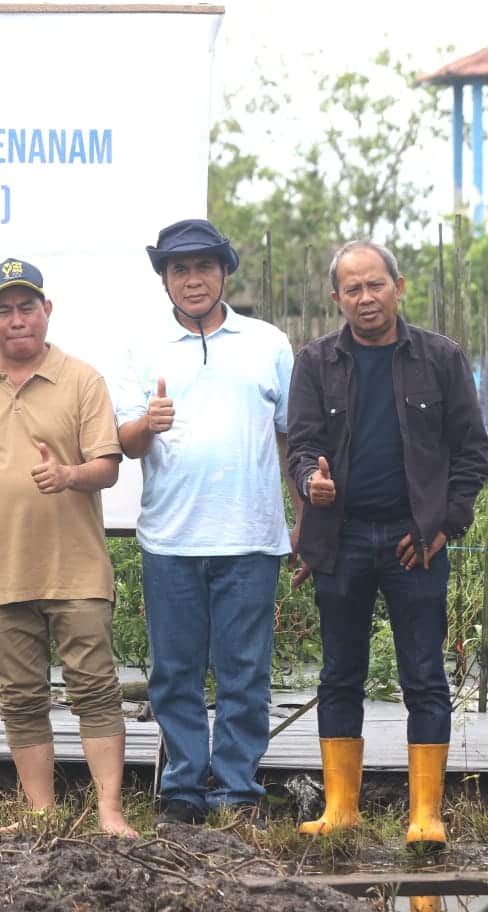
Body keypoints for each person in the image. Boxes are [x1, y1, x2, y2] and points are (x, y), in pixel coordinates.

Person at [287, 240, 488, 848]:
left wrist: (443, 526)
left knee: (425, 675)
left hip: (415, 541)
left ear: (398, 287)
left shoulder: (441, 358)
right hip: (341, 538)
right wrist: (309, 483)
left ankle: (426, 813)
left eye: (375, 285)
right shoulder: (316, 362)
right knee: (340, 674)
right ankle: (341, 808)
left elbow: (471, 452)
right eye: (353, 289)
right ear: (336, 298)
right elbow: (300, 446)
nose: (365, 298)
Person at [0, 258, 135, 837]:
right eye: (3, 310)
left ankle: (110, 812)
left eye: (26, 307)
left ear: (47, 312)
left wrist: (69, 475)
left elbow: (107, 467)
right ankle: (41, 813)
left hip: (77, 571)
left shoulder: (82, 379)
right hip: (1, 572)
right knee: (19, 697)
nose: (16, 320)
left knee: (94, 688)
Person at [115, 219, 299, 825]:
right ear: (164, 280)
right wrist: (149, 423)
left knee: (246, 672)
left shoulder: (268, 343)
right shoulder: (141, 348)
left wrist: (306, 517)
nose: (192, 280)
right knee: (175, 673)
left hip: (251, 535)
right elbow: (126, 442)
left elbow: (292, 438)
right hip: (170, 538)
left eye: (203, 267)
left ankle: (238, 789)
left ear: (225, 272)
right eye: (178, 270)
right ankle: (184, 789)